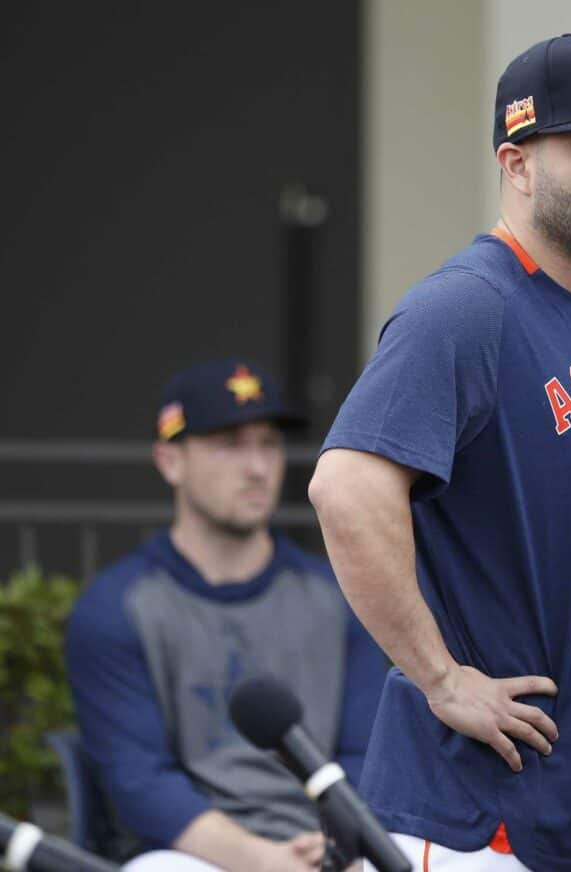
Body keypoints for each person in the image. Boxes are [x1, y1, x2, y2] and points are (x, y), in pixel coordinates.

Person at [308, 33, 571, 872]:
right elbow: (345, 488)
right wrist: (441, 678)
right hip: (478, 816)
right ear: (517, 163)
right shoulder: (464, 309)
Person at [66, 360, 387, 872]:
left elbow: (365, 753)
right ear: (170, 461)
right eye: (230, 445)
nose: (258, 467)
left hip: (333, 846)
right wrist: (265, 861)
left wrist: (332, 847)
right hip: (192, 856)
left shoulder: (341, 594)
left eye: (268, 444)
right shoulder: (115, 607)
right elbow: (142, 781)